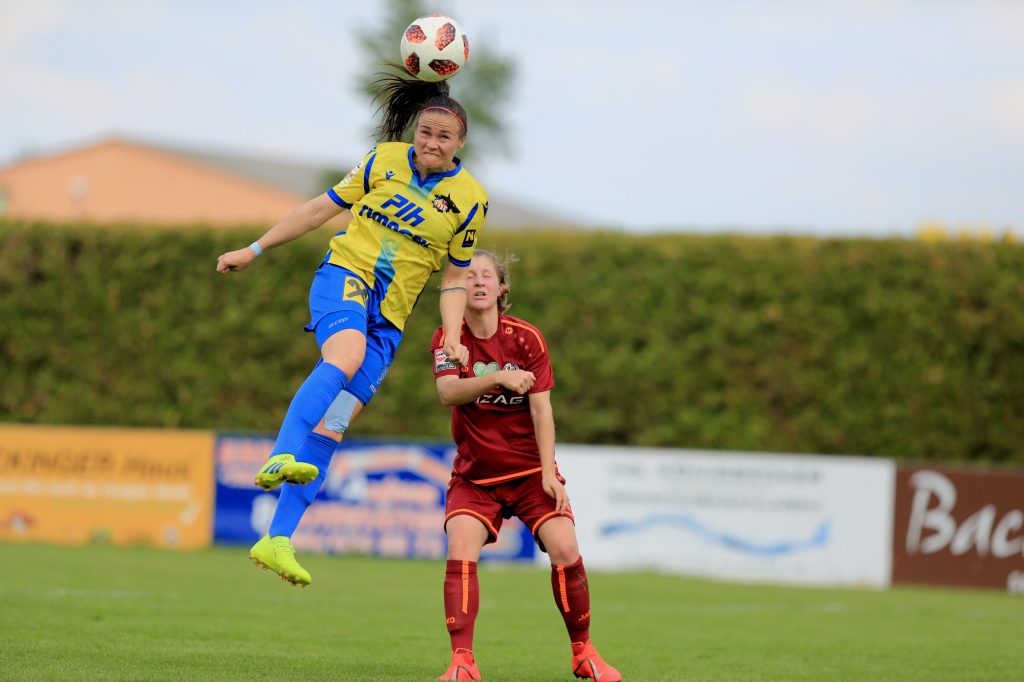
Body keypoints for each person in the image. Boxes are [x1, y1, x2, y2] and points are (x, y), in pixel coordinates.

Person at [216, 73, 486, 587]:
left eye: (443, 137)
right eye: (425, 132)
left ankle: (276, 540)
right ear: (414, 131)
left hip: (391, 318)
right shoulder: (382, 160)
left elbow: (454, 277)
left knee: (335, 422)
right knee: (344, 354)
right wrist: (253, 250)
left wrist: (454, 334)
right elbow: (320, 210)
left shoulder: (471, 199)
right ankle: (279, 455)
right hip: (345, 278)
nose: (431, 142)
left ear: (460, 143)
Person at [430, 250, 621, 681]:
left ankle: (584, 653)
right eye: (469, 276)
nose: (477, 282)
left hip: (529, 473)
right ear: (458, 289)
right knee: (460, 546)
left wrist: (549, 472)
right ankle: (463, 662)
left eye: (487, 276)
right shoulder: (449, 337)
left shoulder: (527, 339)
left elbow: (541, 412)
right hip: (475, 475)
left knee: (566, 548)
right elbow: (448, 393)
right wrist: (497, 377)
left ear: (501, 289)